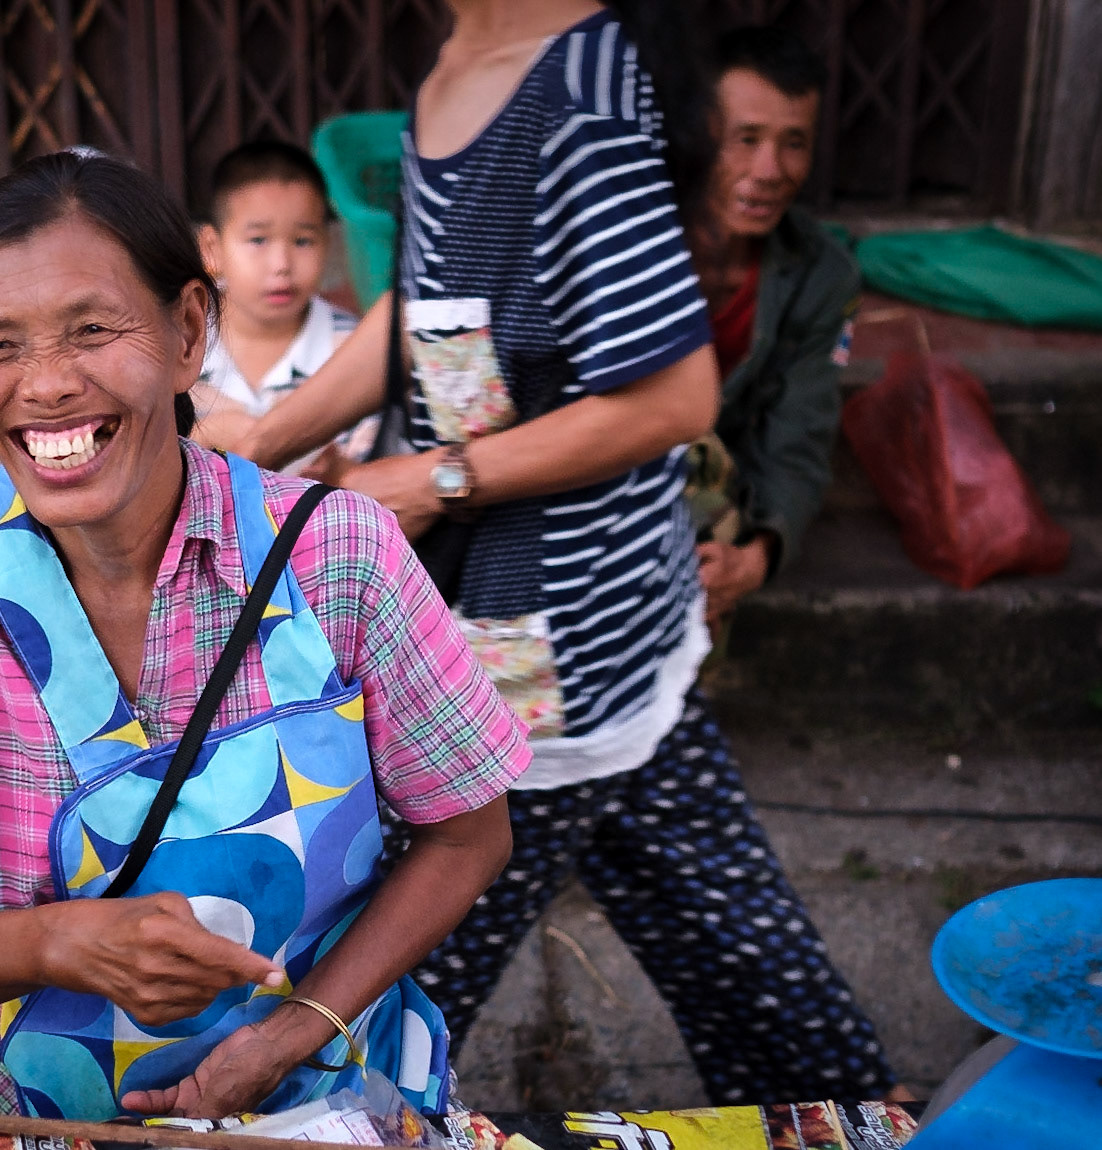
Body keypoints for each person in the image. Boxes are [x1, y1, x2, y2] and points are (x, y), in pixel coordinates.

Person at [228, 0, 901, 1107]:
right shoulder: (459, 61)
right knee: (760, 984)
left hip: (546, 661)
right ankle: (852, 1117)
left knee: (378, 1003)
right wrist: (264, 439)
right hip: (560, 634)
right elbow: (429, 306)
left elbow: (672, 393)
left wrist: (437, 477)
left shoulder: (582, 83)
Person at [0, 149, 533, 1120]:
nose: (48, 384)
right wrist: (59, 943)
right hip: (46, 1104)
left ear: (189, 333)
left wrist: (288, 1030)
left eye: (92, 330)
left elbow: (467, 833)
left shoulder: (336, 553)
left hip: (326, 1087)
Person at [690, 25, 862, 622]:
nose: (769, 169)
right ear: (701, 134)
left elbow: (800, 438)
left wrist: (756, 558)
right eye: (746, 138)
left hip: (714, 502)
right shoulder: (638, 237)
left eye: (794, 143)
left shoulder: (823, 275)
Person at [190, 140, 371, 464]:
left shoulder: (354, 350)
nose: (281, 264)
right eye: (258, 239)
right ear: (212, 248)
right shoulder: (180, 338)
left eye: (303, 241)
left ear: (327, 244)